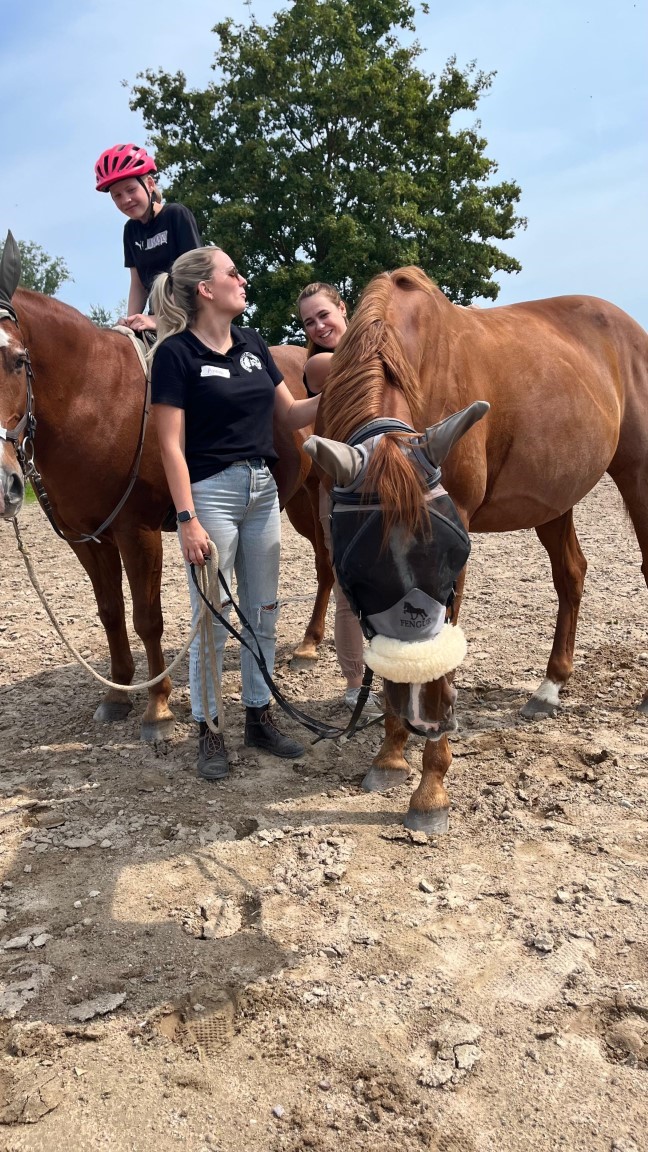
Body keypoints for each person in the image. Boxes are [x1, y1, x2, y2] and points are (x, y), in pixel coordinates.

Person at [149, 246, 322, 781]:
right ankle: (209, 728)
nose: (242, 279)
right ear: (206, 289)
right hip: (211, 493)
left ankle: (258, 715)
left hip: (262, 488)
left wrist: (345, 384)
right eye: (232, 273)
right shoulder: (175, 354)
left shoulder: (252, 344)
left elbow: (290, 414)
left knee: (263, 609)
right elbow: (170, 445)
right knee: (213, 617)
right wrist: (186, 519)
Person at [296, 282, 383, 717]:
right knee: (349, 591)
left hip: (385, 485)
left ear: (343, 308)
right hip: (342, 492)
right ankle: (354, 683)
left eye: (323, 315)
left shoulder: (376, 348)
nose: (318, 326)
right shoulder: (320, 365)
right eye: (309, 322)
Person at [95, 143, 202, 333]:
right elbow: (138, 284)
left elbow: (194, 275)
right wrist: (129, 323)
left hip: (191, 314)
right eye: (117, 195)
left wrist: (162, 319)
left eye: (131, 190)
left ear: (150, 184)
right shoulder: (130, 231)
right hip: (157, 318)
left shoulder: (176, 215)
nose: (125, 200)